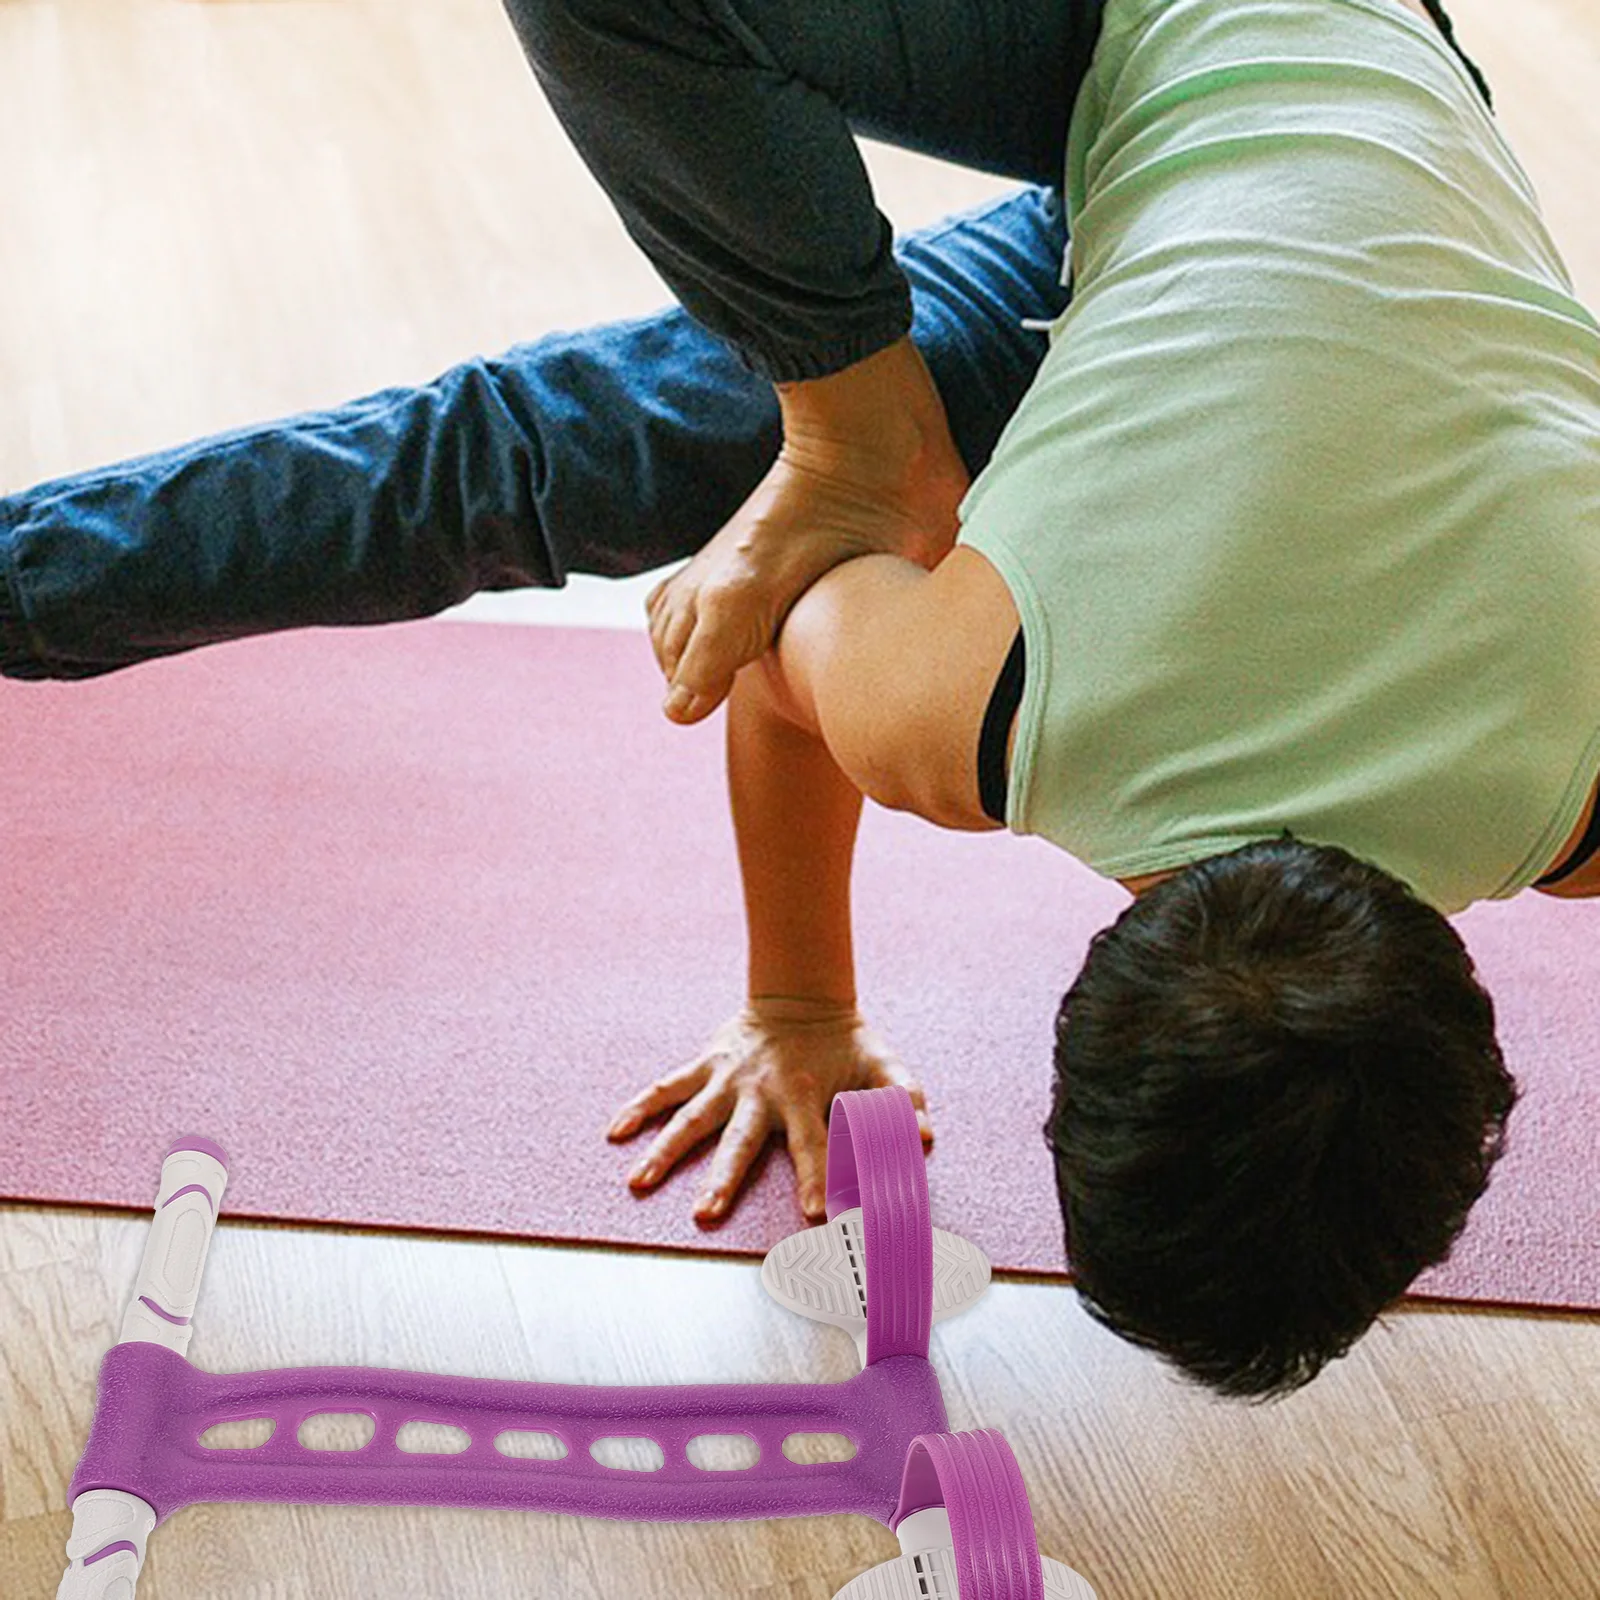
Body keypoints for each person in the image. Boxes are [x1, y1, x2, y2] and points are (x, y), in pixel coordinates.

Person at [3, 0, 1592, 1398]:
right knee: (534, 461)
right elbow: (762, 647)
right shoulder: (979, 698)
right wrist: (803, 1006)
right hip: (1224, 35)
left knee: (595, 447)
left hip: (1276, 197)